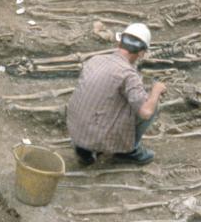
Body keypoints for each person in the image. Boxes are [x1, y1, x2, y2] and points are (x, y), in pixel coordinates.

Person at [67, 23, 166, 166]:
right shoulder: (128, 74)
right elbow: (145, 112)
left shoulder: (95, 59)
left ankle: (84, 151)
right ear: (142, 52)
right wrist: (156, 90)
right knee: (151, 103)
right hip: (97, 137)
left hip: (75, 132)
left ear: (120, 42)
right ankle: (129, 150)